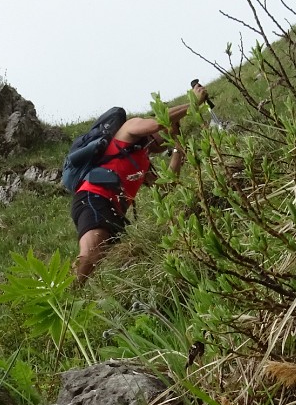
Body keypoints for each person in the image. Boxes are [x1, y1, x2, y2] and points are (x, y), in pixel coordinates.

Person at [70, 83, 208, 286]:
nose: (172, 135)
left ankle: (72, 296)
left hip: (113, 209)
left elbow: (166, 187)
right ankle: (64, 299)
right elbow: (155, 124)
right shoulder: (131, 127)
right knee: (91, 254)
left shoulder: (142, 160)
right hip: (94, 198)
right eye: (173, 128)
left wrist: (178, 151)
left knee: (98, 260)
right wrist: (193, 103)